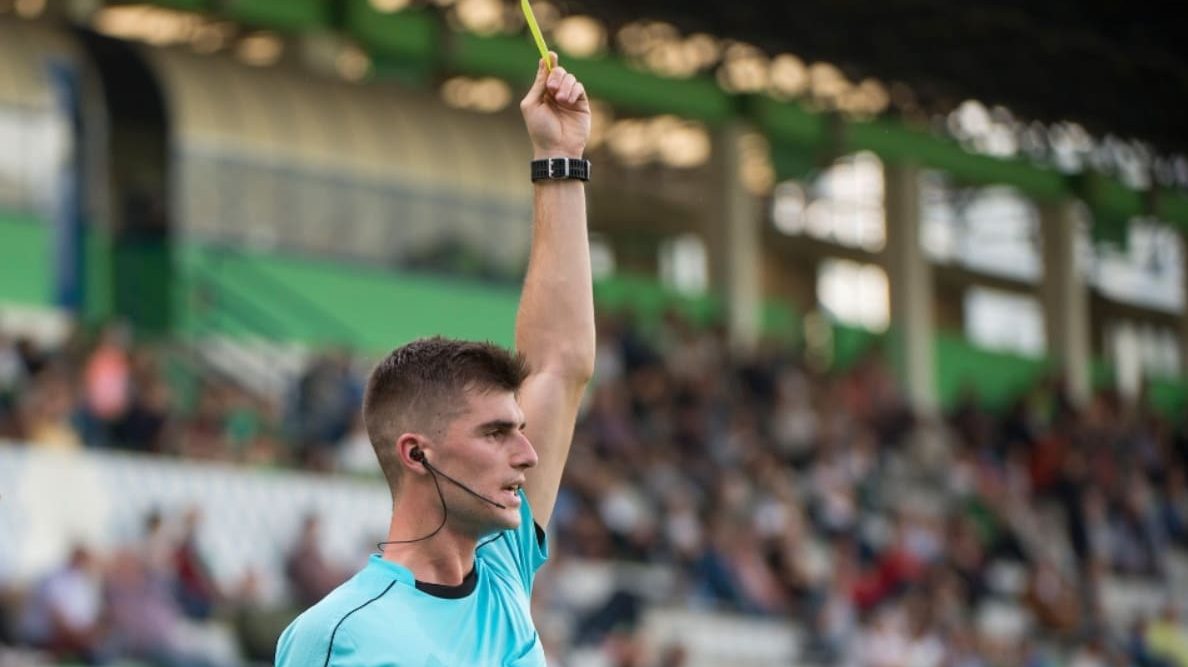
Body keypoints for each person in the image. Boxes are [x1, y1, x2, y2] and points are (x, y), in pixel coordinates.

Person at [276, 52, 594, 666]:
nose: (528, 454)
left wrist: (561, 158)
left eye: (520, 431)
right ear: (417, 453)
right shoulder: (337, 635)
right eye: (497, 433)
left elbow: (559, 362)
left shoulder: (502, 572)